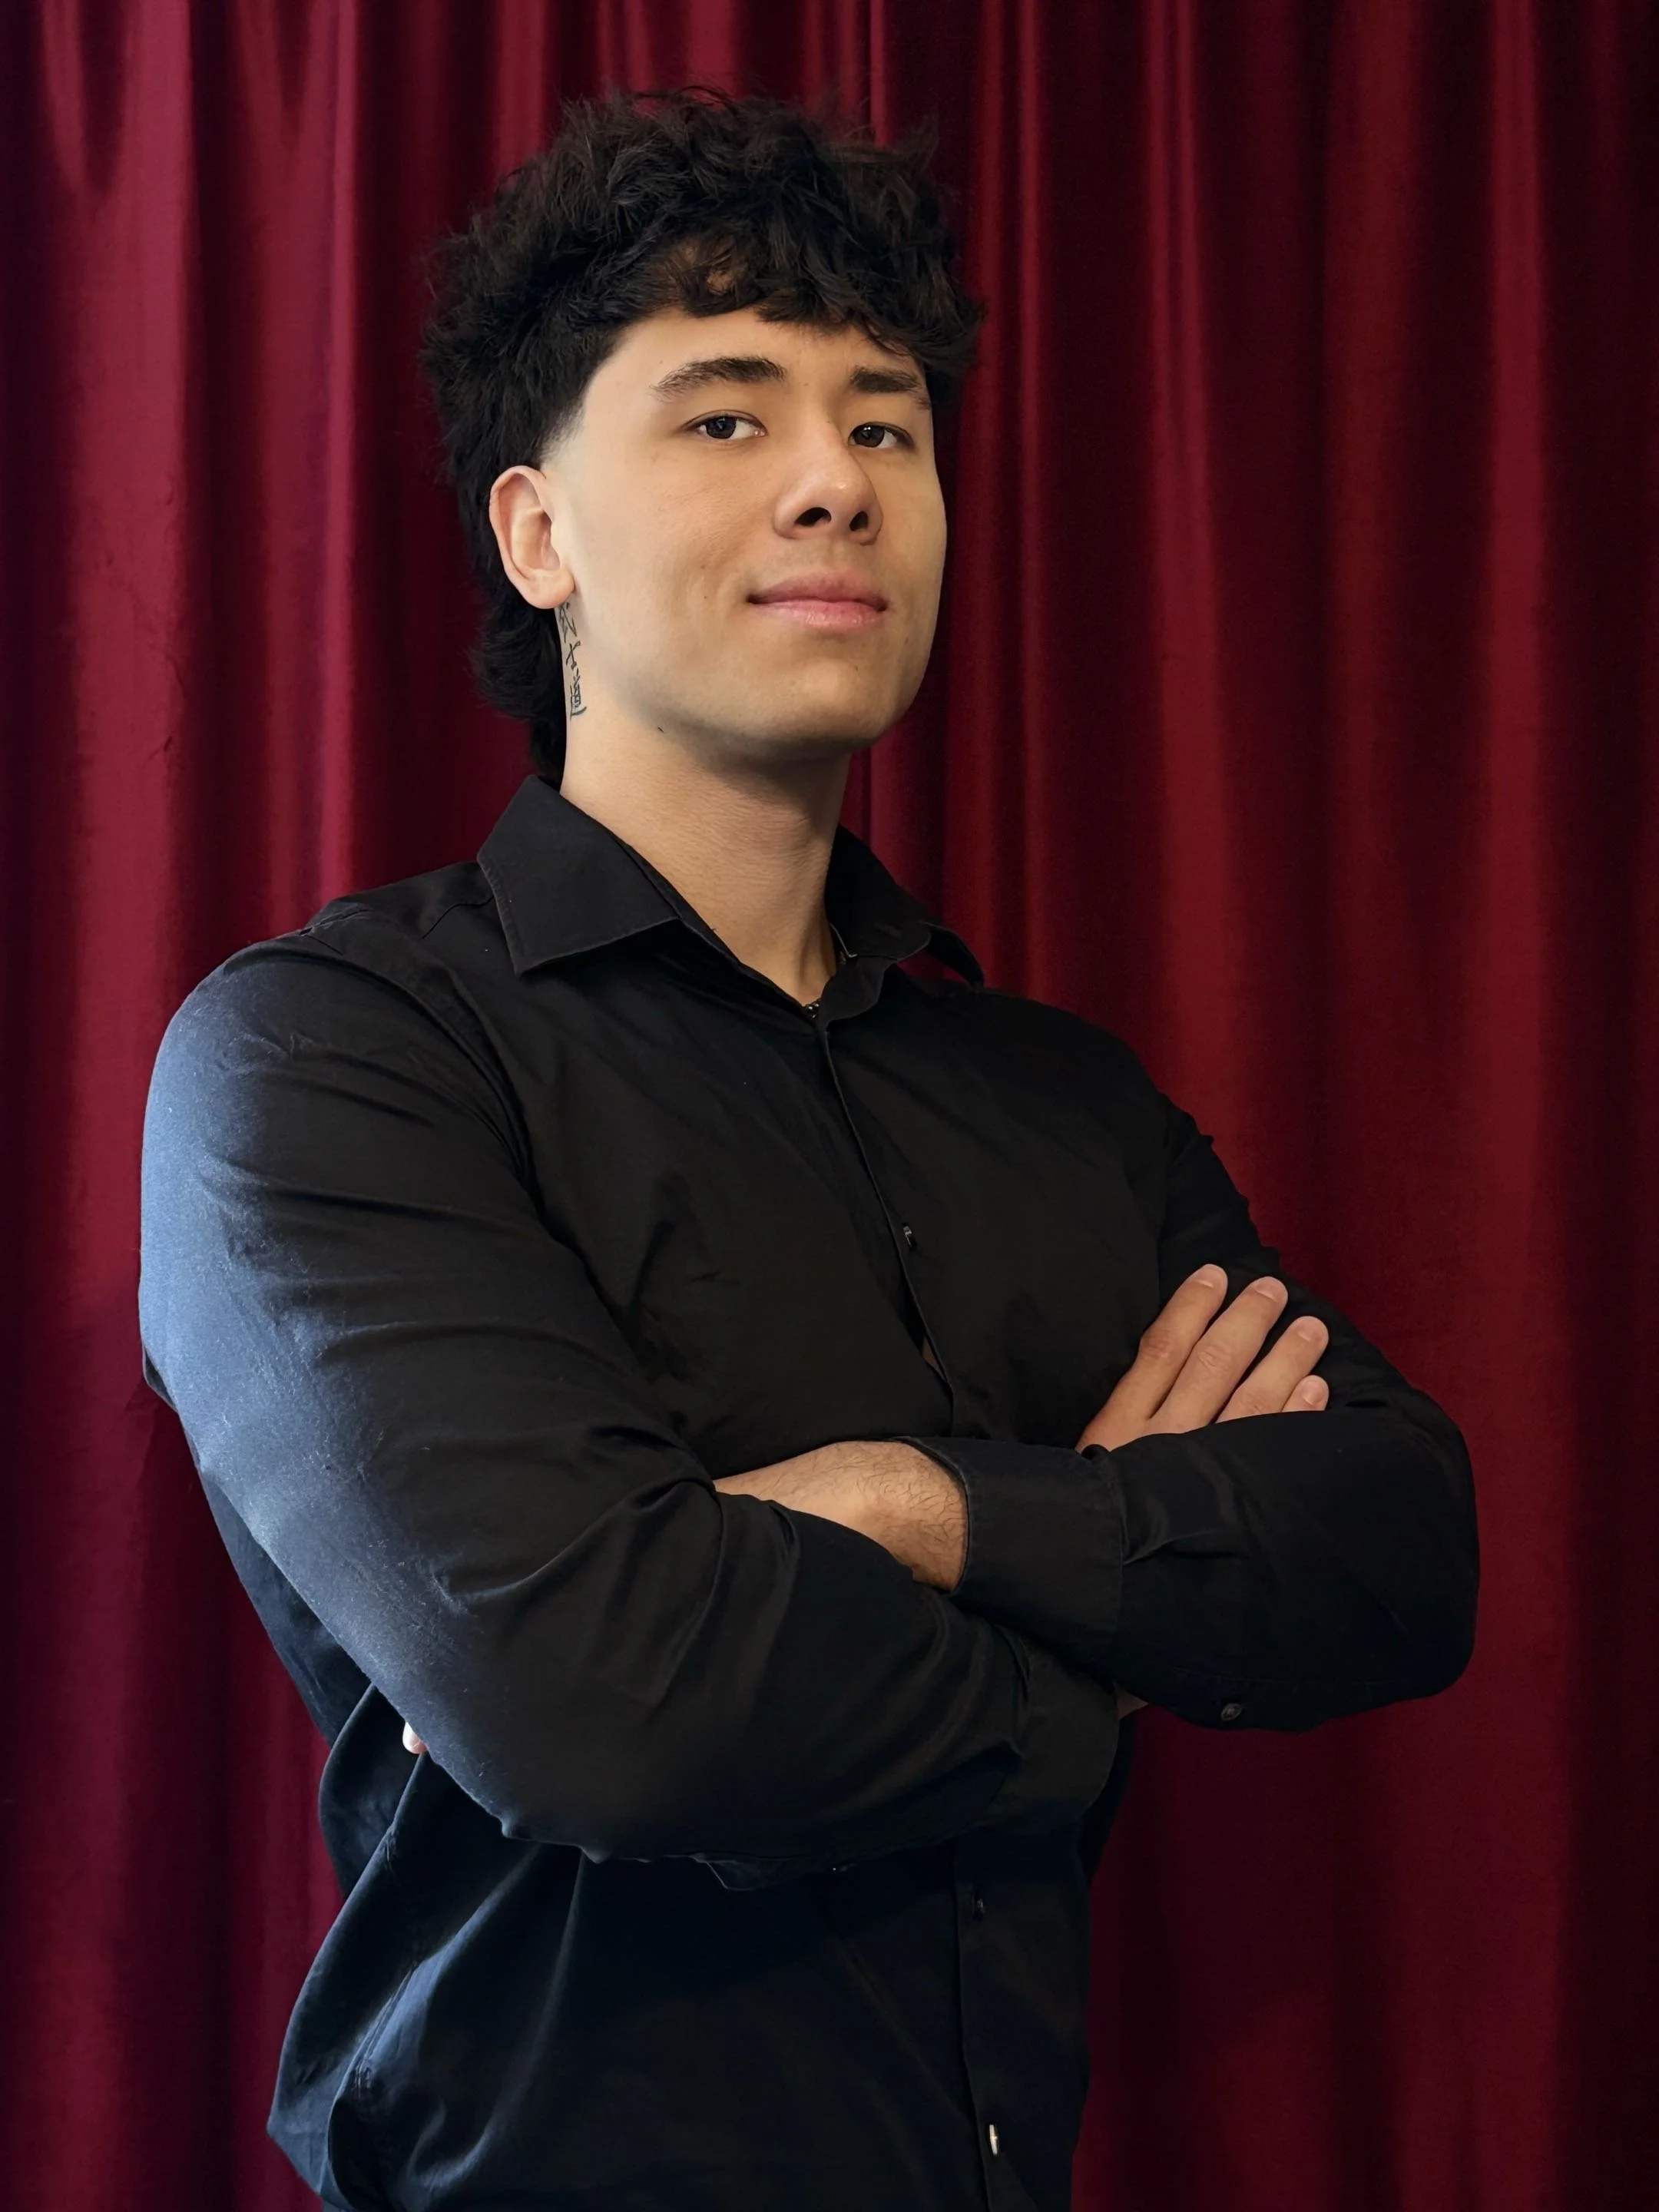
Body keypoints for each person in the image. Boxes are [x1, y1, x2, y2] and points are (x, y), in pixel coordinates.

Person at [138, 88, 1478, 2212]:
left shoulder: (1061, 1098)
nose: (840, 481)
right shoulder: (335, 1056)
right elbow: (607, 1701)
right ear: (537, 533)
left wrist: (921, 1511)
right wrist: (1110, 1630)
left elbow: (1404, 1550)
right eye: (727, 416)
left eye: (887, 421)